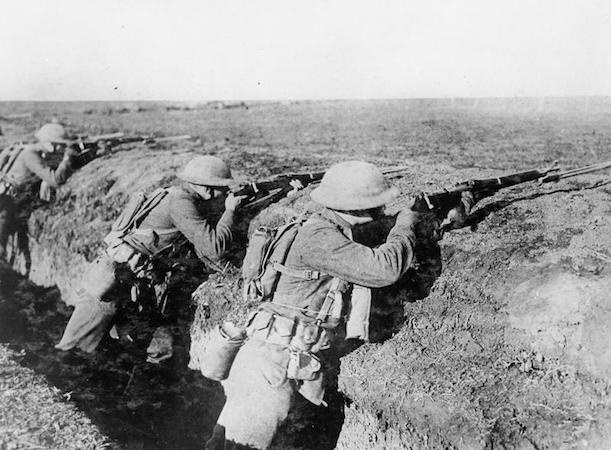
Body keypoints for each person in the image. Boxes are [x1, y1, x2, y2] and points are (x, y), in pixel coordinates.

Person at [206, 160, 472, 449]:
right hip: (270, 371)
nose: (383, 208)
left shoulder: (323, 226)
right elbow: (384, 269)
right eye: (379, 203)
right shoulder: (321, 239)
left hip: (278, 361)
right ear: (361, 207)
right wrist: (405, 224)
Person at [55, 155, 246, 363]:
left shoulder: (182, 197)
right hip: (112, 283)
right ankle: (53, 387)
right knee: (74, 346)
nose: (226, 192)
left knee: (128, 350)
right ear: (206, 188)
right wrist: (230, 211)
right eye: (223, 188)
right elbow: (214, 248)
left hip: (136, 285)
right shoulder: (181, 202)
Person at [0, 123, 77, 264]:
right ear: (49, 144)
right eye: (59, 145)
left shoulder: (31, 150)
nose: (61, 148)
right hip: (7, 204)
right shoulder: (30, 155)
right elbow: (55, 180)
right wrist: (68, 158)